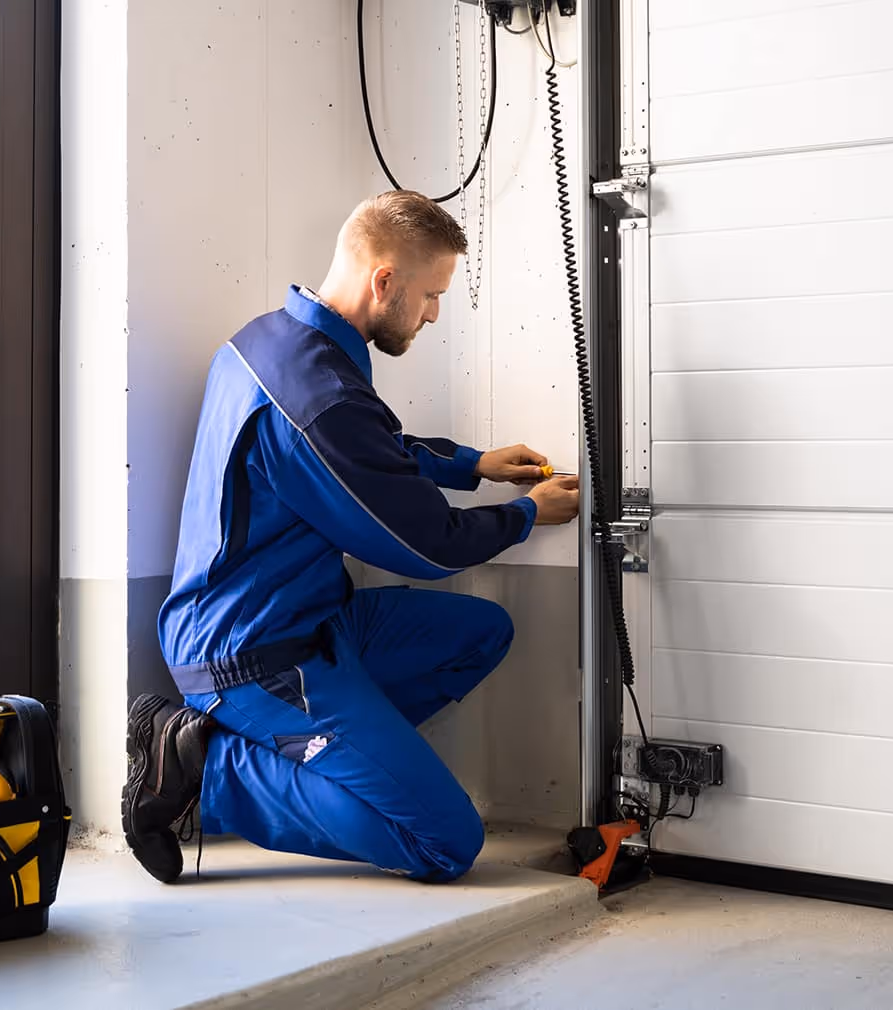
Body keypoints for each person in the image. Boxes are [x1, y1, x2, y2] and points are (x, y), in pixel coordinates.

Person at [122, 190, 582, 884]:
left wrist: (472, 465)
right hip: (251, 656)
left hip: (312, 620)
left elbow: (370, 450)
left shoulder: (271, 341)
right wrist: (524, 515)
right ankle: (206, 770)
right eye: (431, 295)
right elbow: (428, 546)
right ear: (385, 281)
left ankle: (331, 764)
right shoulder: (316, 398)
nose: (433, 313)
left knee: (481, 632)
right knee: (446, 842)